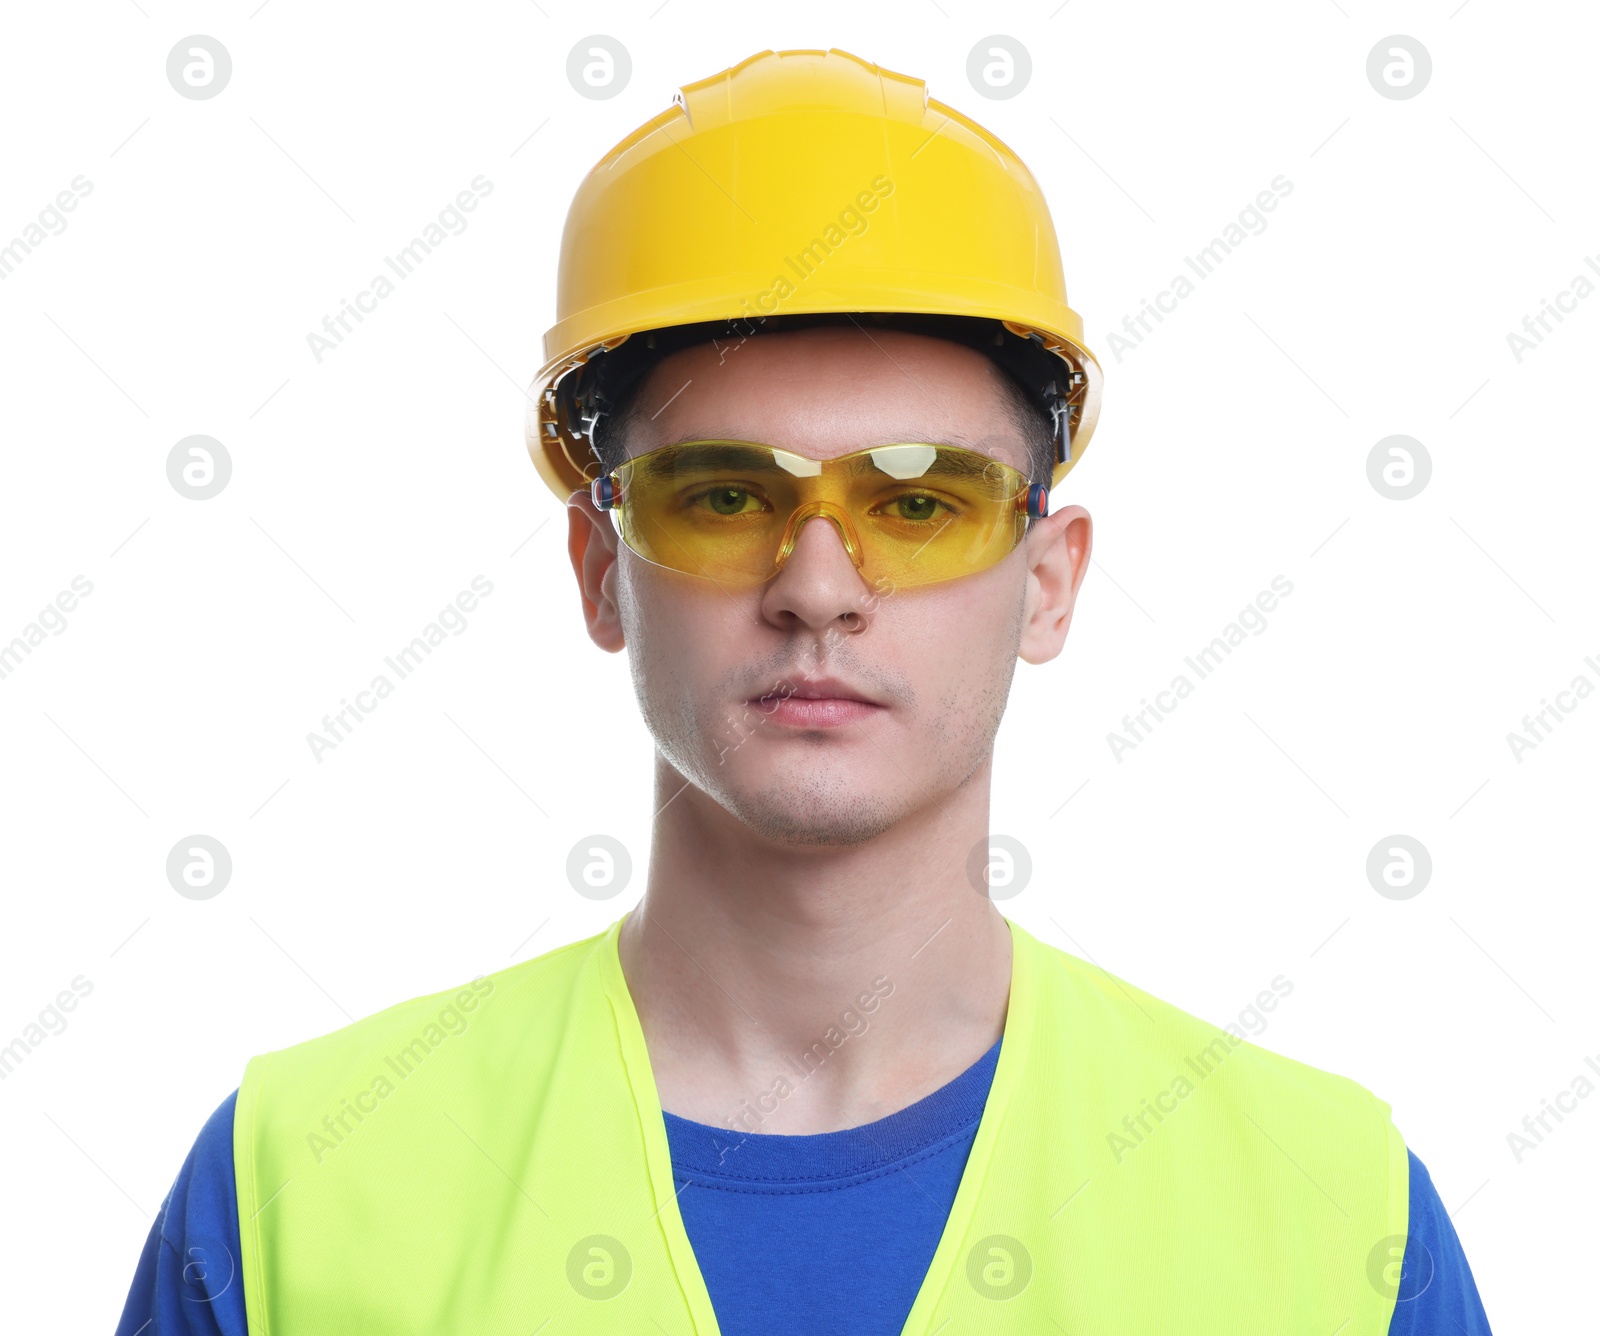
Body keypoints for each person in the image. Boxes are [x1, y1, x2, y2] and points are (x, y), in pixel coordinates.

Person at [116, 47, 1492, 1335]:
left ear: (1050, 580)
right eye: (723, 495)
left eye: (920, 504)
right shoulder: (292, 1191)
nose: (820, 585)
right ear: (602, 568)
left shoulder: (1333, 1223)